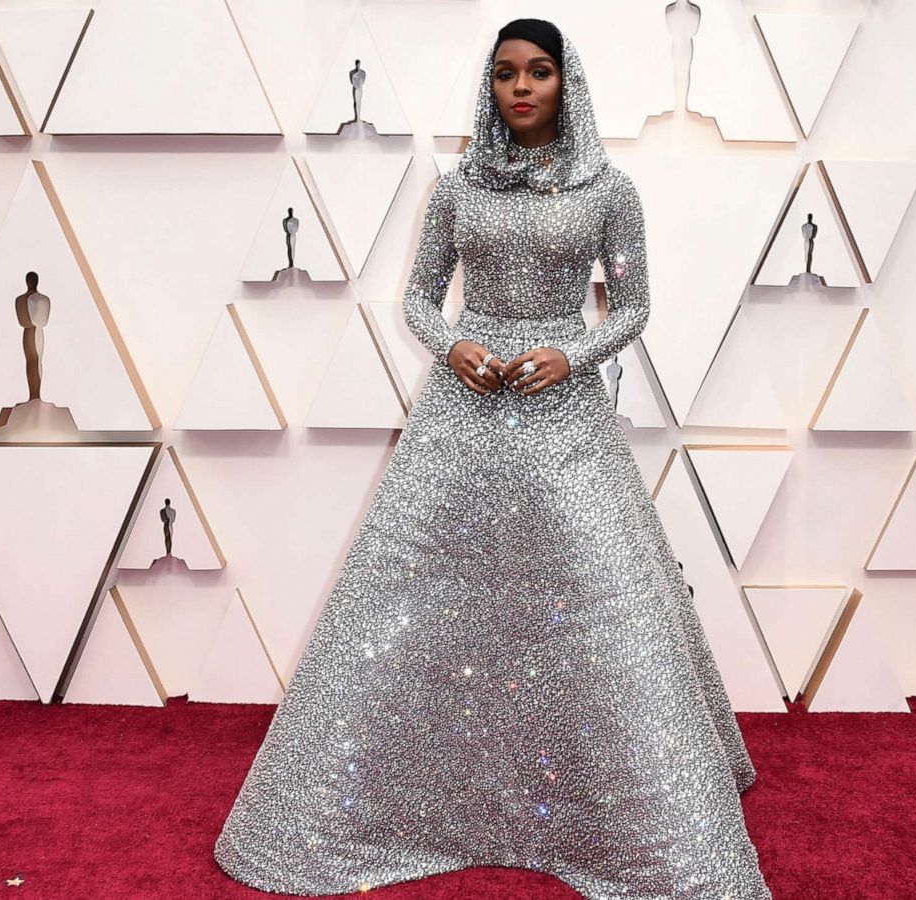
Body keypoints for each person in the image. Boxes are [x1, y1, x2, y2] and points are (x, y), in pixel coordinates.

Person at [213, 18, 774, 900]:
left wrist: (572, 355)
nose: (522, 87)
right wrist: (455, 349)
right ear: (492, 86)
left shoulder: (608, 189)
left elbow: (633, 307)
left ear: (565, 82)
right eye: (507, 73)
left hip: (561, 407)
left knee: (599, 591)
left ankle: (640, 801)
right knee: (417, 592)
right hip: (466, 409)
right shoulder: (457, 188)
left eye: (539, 72)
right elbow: (420, 302)